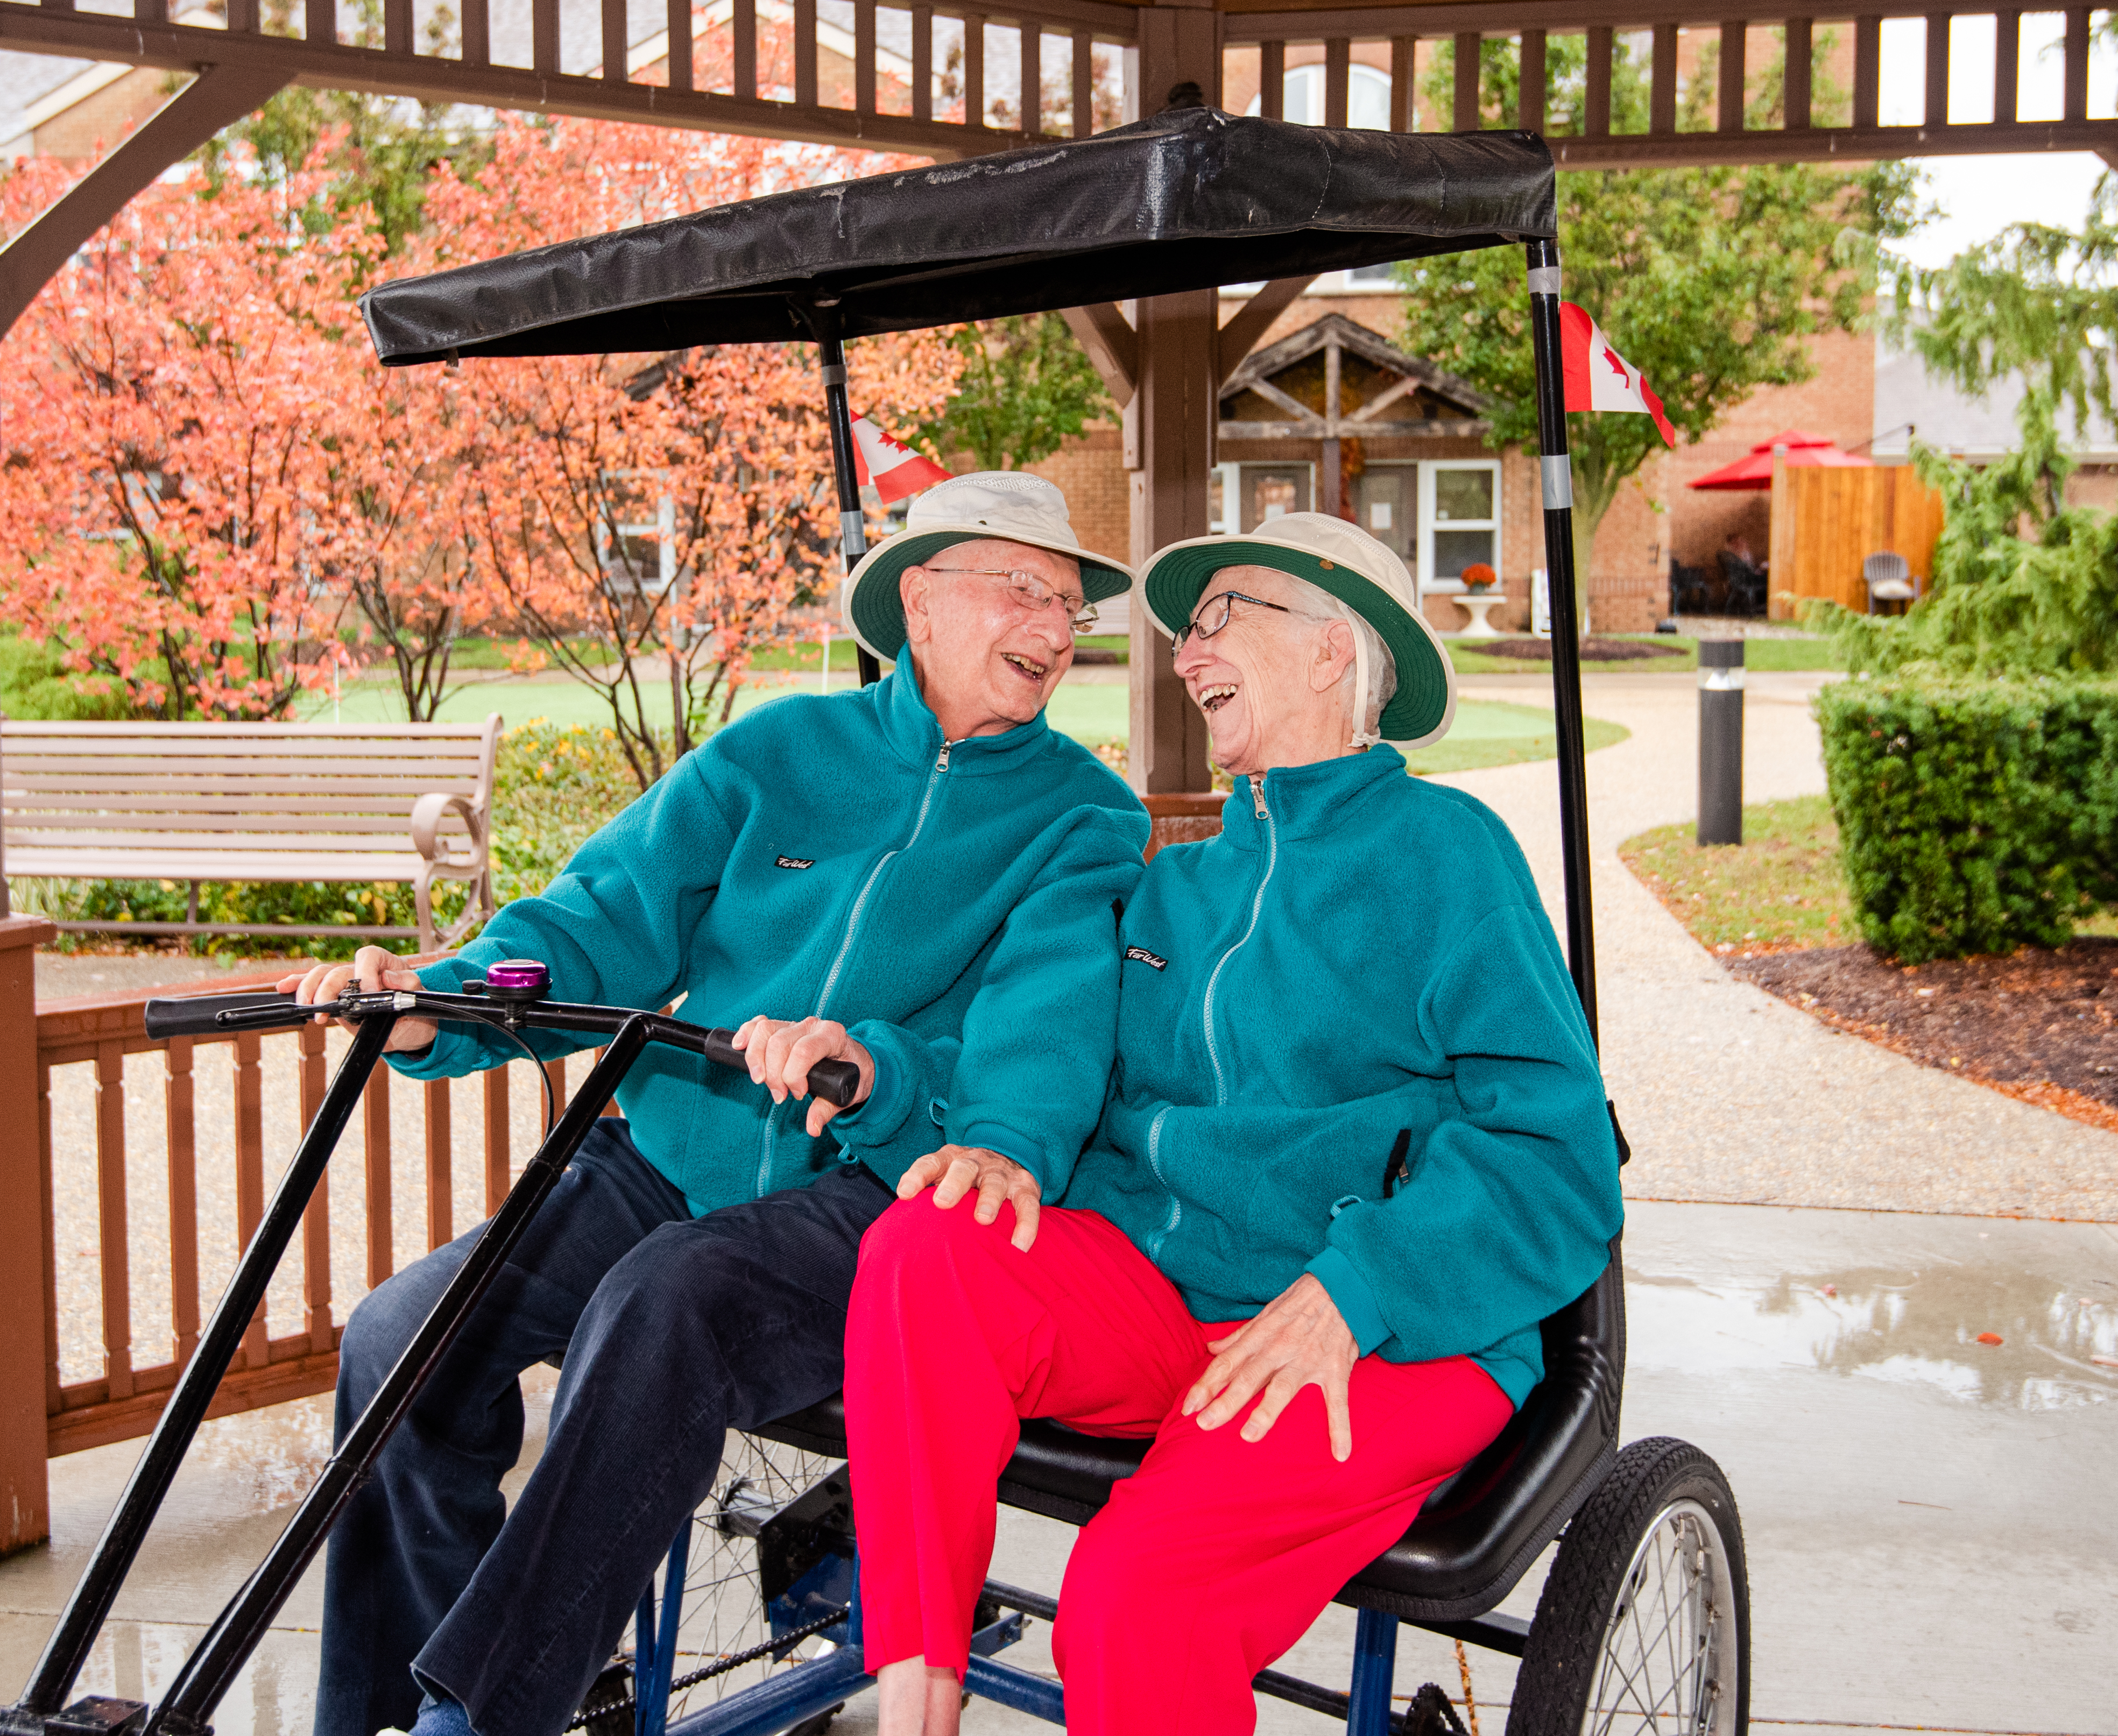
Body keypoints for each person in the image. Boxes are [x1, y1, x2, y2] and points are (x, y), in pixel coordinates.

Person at [291, 472, 1154, 1736]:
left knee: (671, 1297)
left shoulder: (1084, 818)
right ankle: (399, 1703)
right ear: (920, 604)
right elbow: (596, 923)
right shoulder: (772, 755)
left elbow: (1045, 1030)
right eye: (1019, 586)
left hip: (872, 1191)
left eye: (1069, 604)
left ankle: (478, 1721)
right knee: (402, 1339)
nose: (1052, 624)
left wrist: (910, 1089)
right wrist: (447, 1000)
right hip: (670, 1164)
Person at [844, 513, 1626, 1736]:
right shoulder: (1181, 881)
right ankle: (918, 1699)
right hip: (1166, 1305)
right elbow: (1049, 1072)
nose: (1186, 650)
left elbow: (1553, 1149)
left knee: (1127, 1601)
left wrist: (1355, 1292)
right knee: (927, 1242)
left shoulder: (1446, 855)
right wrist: (889, 1082)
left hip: (1382, 1332)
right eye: (1184, 627)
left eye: (1222, 617)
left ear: (1330, 651)